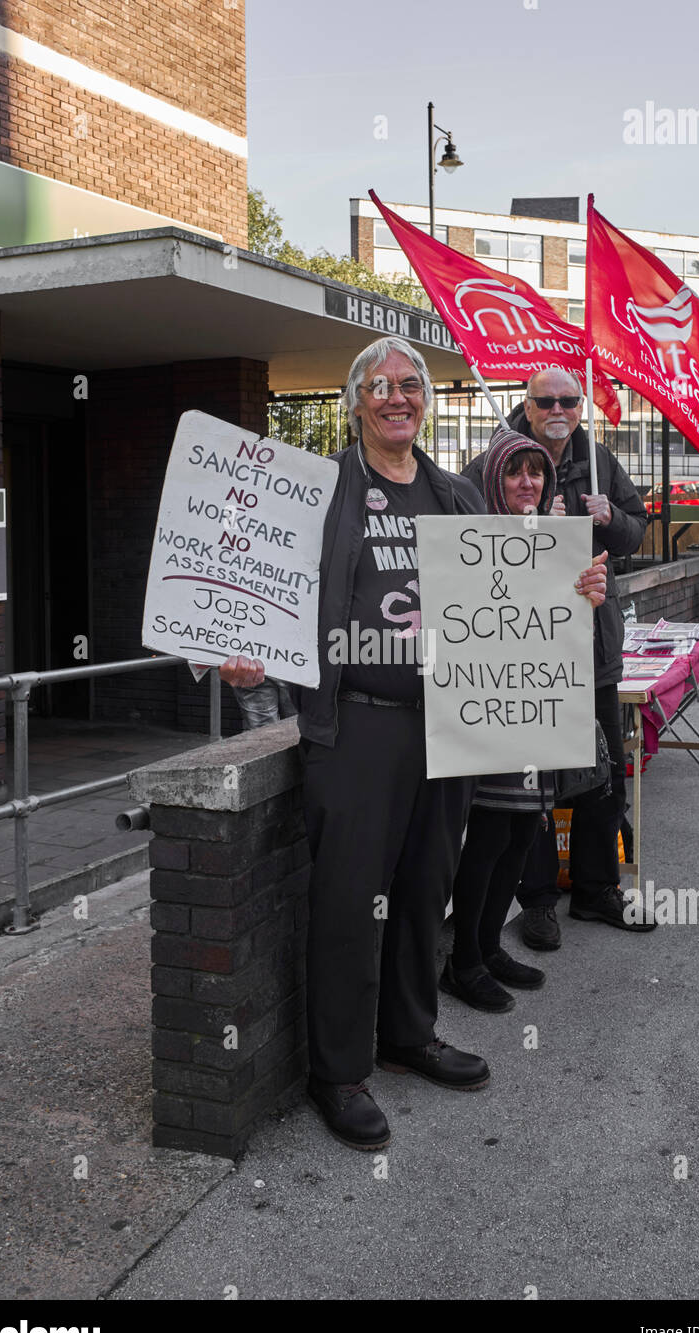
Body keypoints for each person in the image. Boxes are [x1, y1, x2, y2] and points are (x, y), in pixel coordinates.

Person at [219, 336, 490, 1152]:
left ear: (426, 401)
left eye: (411, 385)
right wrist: (244, 653)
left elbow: (510, 589)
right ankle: (338, 1071)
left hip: (447, 723)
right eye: (381, 386)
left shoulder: (457, 493)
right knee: (348, 902)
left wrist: (575, 588)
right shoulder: (322, 490)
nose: (398, 397)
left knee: (422, 889)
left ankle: (409, 1034)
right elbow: (262, 585)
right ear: (355, 401)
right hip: (358, 723)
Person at [468, 367, 653, 942]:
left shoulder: (597, 457)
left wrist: (609, 518)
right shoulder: (495, 461)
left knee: (600, 777)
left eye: (568, 399)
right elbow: (462, 538)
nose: (557, 408)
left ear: (581, 406)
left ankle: (598, 890)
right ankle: (538, 899)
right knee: (531, 783)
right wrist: (525, 529)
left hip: (590, 650)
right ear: (526, 406)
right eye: (544, 399)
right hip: (521, 653)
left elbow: (638, 532)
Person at [442, 430, 608, 1012]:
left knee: (521, 835)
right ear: (494, 479)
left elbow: (567, 626)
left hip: (537, 714)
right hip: (491, 716)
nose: (528, 483)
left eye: (536, 472)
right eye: (515, 473)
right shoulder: (473, 541)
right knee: (487, 837)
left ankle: (488, 948)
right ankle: (462, 961)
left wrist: (591, 590)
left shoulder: (555, 544)